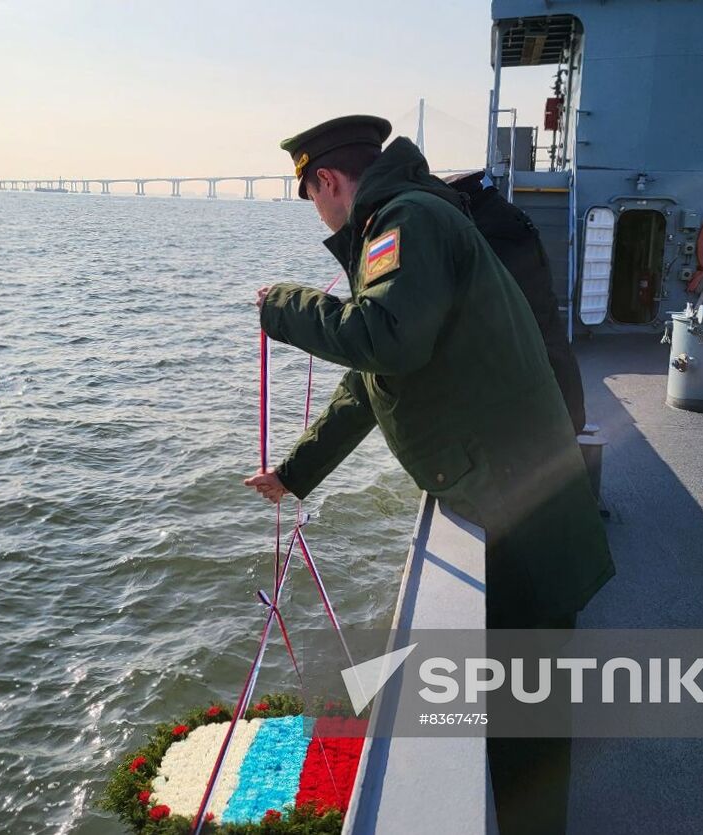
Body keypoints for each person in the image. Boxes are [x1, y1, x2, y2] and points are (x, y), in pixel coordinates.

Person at [243, 115, 614, 834]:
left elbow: (385, 337)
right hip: (511, 496)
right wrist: (296, 472)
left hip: (522, 514)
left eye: (313, 198)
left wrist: (280, 306)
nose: (319, 214)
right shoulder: (415, 217)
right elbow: (374, 379)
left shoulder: (402, 222)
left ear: (327, 180)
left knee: (526, 716)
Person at [446, 170, 588, 435]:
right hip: (558, 392)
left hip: (547, 409)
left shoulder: (494, 234)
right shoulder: (505, 220)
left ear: (463, 202)